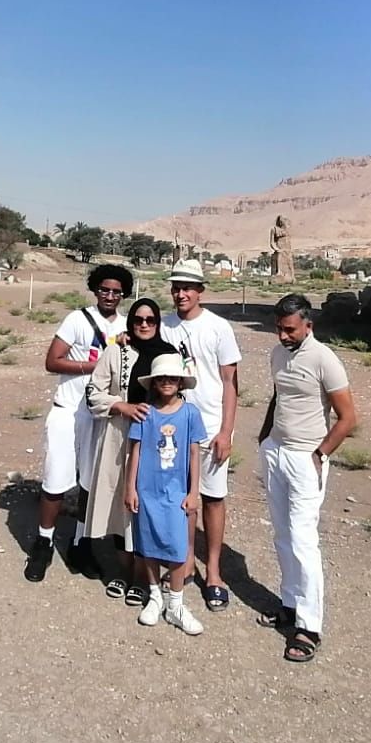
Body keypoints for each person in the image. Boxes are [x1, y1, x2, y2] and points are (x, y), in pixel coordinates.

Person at [257, 294, 358, 663]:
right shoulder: (278, 354)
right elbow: (279, 394)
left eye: (290, 330)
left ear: (308, 326)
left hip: (306, 457)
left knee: (303, 541)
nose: (283, 336)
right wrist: (265, 437)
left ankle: (309, 626)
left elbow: (348, 417)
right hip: (276, 452)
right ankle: (289, 604)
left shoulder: (324, 358)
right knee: (282, 534)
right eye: (279, 329)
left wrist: (320, 453)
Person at [25, 263, 131, 583]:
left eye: (116, 291)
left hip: (101, 415)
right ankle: (43, 542)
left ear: (124, 293)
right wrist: (94, 364)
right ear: (95, 289)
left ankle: (80, 543)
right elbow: (52, 360)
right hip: (69, 409)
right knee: (56, 478)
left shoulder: (128, 325)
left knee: (90, 483)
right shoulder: (77, 319)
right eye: (104, 289)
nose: (110, 295)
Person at [82, 296, 177, 605]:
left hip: (157, 446)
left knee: (148, 512)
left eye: (150, 320)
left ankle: (143, 578)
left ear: (158, 323)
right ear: (131, 323)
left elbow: (182, 397)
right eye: (138, 320)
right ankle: (124, 574)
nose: (144, 325)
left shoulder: (169, 355)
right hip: (119, 439)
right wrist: (120, 405)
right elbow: (93, 392)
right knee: (121, 509)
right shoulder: (116, 351)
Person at [159, 259, 241, 611]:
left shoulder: (219, 327)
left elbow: (230, 383)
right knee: (182, 497)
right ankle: (187, 559)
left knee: (213, 496)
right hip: (175, 426)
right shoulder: (164, 326)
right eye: (176, 286)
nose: (181, 293)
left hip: (210, 426)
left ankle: (215, 573)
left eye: (188, 287)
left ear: (200, 290)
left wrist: (226, 431)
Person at [124, 354, 207, 636]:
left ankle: (176, 603)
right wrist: (130, 487)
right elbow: (135, 450)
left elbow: (195, 453)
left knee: (176, 546)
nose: (167, 383)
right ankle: (155, 595)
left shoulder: (190, 413)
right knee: (147, 543)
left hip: (176, 491)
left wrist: (194, 491)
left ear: (181, 381)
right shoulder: (145, 412)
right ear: (154, 382)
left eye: (172, 378)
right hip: (147, 489)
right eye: (162, 378)